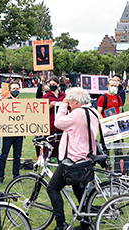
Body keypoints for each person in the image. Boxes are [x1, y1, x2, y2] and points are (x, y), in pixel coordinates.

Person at [47, 87, 99, 230]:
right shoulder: (93, 112)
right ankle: (84, 224)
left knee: (52, 188)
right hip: (86, 157)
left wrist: (63, 105)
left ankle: (60, 224)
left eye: (70, 102)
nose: (69, 104)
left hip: (73, 159)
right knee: (80, 192)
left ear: (75, 101)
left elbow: (58, 123)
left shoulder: (77, 114)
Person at [0, 81, 23, 184]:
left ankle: (16, 176)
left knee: (17, 155)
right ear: (9, 90)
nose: (15, 91)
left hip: (19, 133)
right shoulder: (5, 102)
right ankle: (0, 177)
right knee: (4, 155)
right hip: (8, 134)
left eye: (17, 89)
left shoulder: (23, 103)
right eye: (13, 89)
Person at [42, 76, 66, 160]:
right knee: (48, 147)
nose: (52, 86)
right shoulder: (45, 97)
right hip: (50, 125)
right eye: (50, 84)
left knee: (62, 147)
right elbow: (42, 111)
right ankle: (46, 164)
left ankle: (61, 165)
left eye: (54, 84)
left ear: (58, 84)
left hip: (62, 125)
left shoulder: (64, 96)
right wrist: (49, 106)